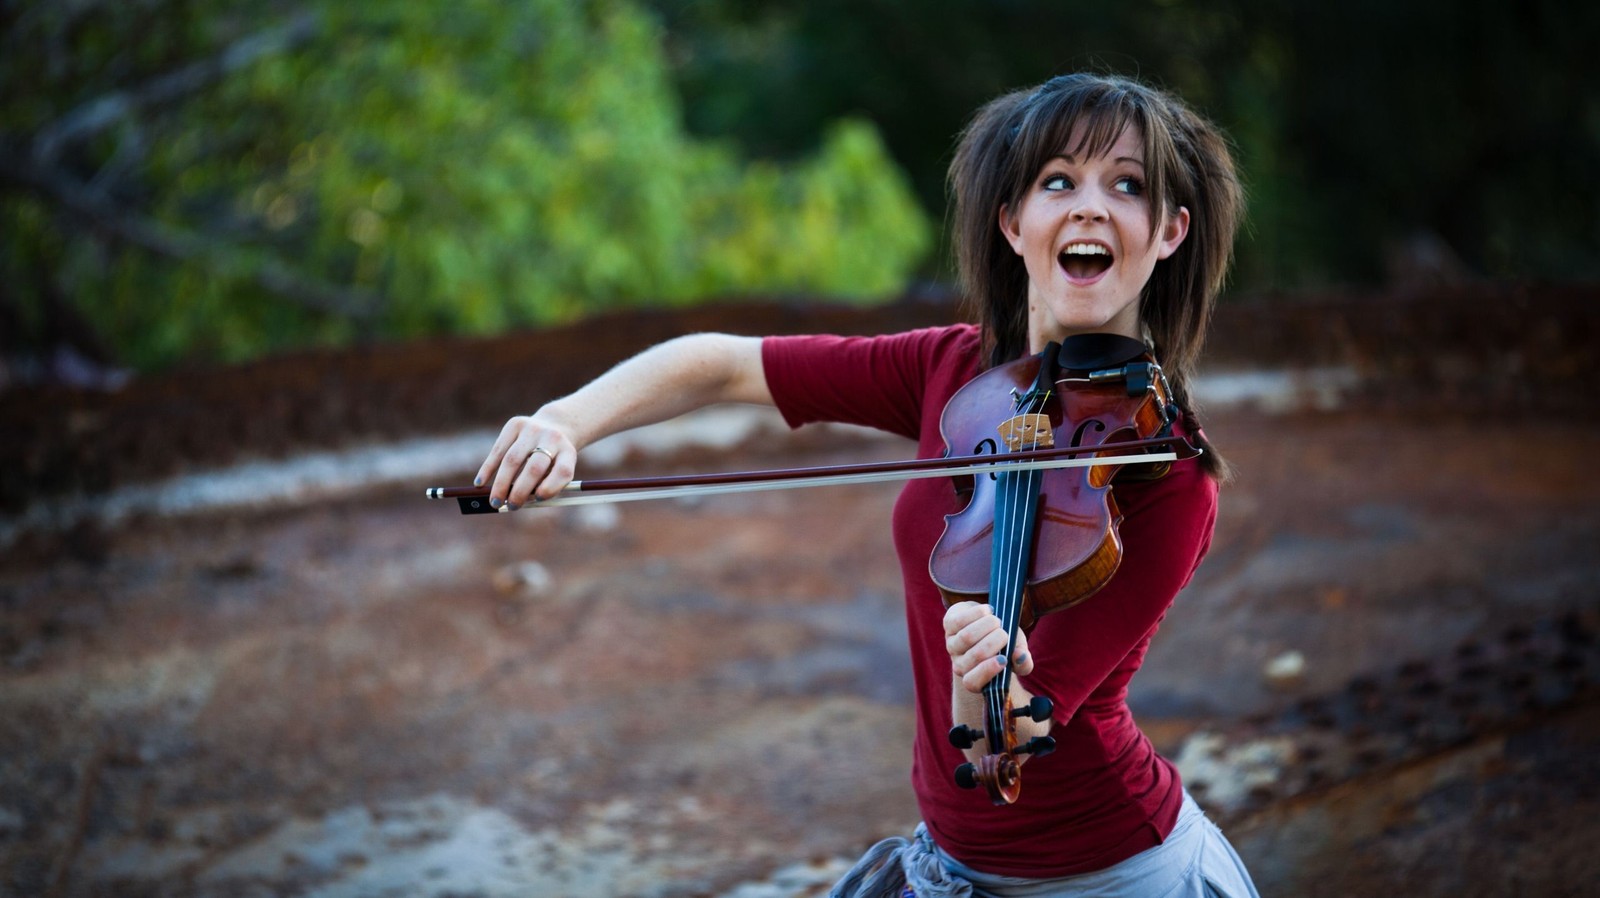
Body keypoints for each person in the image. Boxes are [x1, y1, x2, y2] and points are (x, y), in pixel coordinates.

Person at [476, 72, 1258, 897]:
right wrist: (563, 421)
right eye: (1057, 180)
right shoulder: (955, 374)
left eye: (1126, 185)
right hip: (953, 856)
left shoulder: (1165, 475)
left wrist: (981, 672)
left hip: (1110, 873)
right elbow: (724, 366)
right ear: (1013, 223)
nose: (1089, 205)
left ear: (1169, 232)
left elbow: (1001, 743)